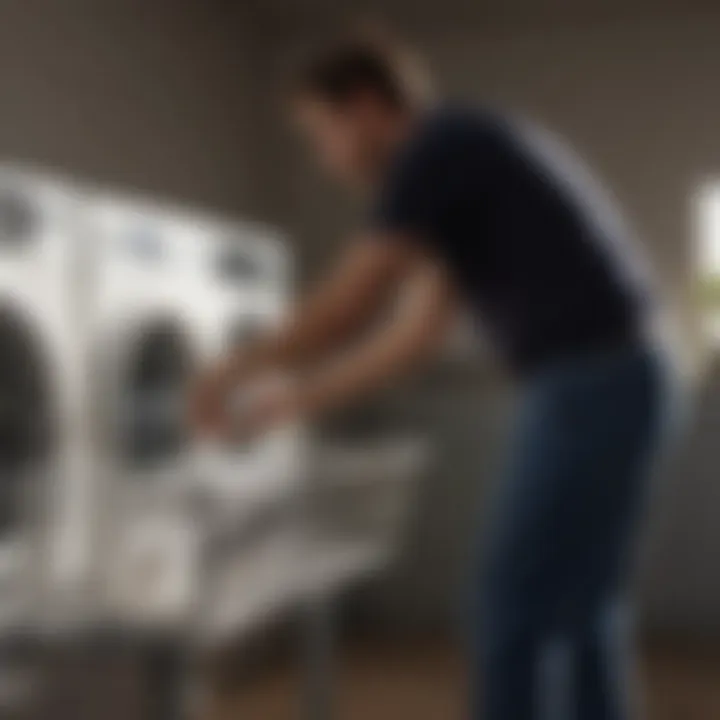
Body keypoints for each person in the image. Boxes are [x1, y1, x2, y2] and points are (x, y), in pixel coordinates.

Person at [191, 35, 679, 720]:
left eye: (319, 134)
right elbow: (411, 338)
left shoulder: (437, 148)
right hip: (622, 376)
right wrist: (299, 399)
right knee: (578, 611)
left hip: (588, 379)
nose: (325, 159)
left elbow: (349, 305)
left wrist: (226, 371)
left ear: (363, 107)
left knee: (509, 607)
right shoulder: (463, 161)